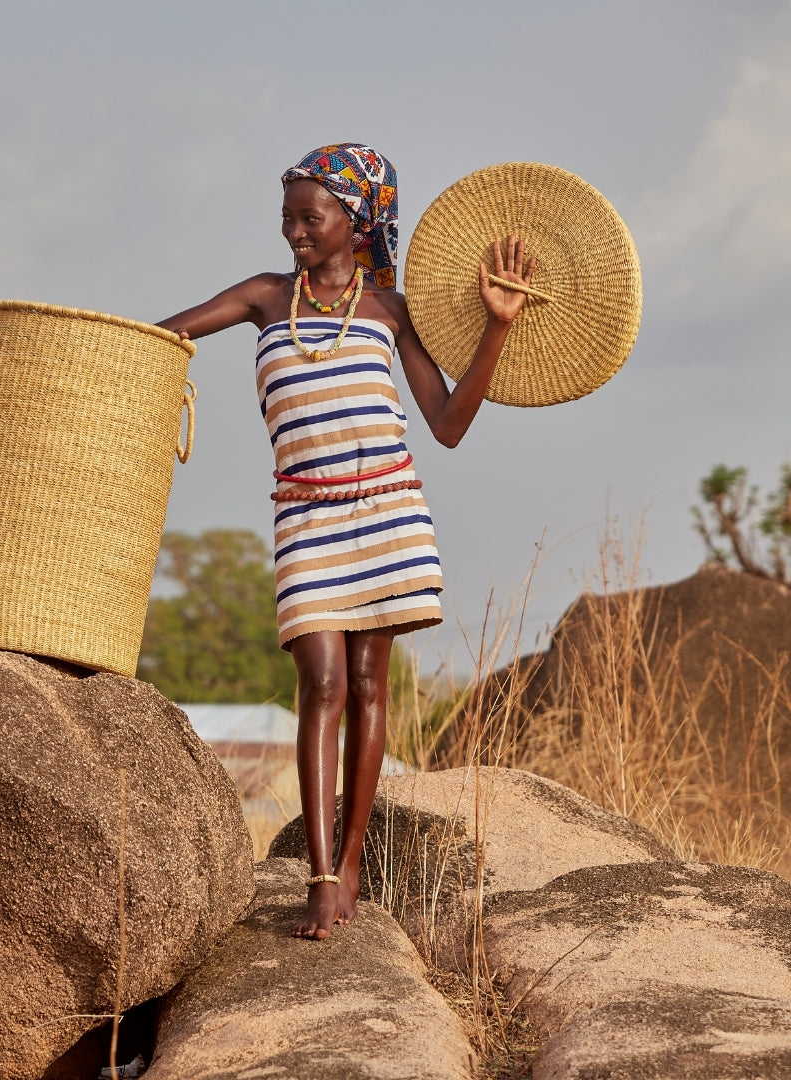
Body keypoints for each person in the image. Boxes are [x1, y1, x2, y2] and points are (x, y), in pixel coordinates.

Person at [157, 143, 535, 940]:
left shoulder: (391, 312)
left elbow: (450, 425)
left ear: (354, 222)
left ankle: (349, 866)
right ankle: (320, 875)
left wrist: (495, 329)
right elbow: (165, 335)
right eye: (288, 216)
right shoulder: (264, 298)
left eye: (310, 216)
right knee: (321, 682)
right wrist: (85, 350)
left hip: (387, 513)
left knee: (368, 684)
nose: (294, 230)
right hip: (305, 518)